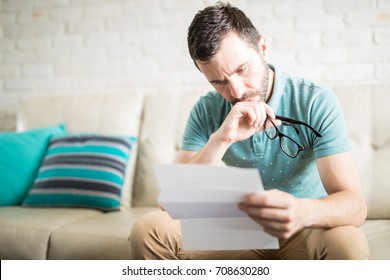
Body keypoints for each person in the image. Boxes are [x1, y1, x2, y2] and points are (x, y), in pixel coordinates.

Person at [129, 1, 369, 260]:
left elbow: (355, 206)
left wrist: (302, 212)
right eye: (218, 82)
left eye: (242, 69)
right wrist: (221, 139)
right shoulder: (207, 110)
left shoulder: (314, 101)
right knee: (150, 228)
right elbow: (170, 202)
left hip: (304, 226)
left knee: (347, 242)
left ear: (262, 48)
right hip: (237, 229)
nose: (236, 92)